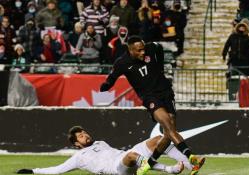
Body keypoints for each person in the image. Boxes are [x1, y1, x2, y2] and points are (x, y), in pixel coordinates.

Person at [100, 36, 205, 175]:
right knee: (168, 125)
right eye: (139, 50)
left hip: (166, 92)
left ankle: (148, 164)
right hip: (150, 97)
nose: (143, 52)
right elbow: (112, 78)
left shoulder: (151, 47)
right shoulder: (122, 63)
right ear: (131, 50)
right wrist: (106, 85)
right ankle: (192, 158)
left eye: (143, 49)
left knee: (168, 134)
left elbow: (159, 47)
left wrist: (160, 65)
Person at [16, 126, 187, 175]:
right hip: (117, 170)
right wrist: (32, 171)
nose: (85, 135)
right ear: (77, 144)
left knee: (158, 140)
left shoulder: (101, 142)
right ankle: (168, 169)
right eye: (81, 136)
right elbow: (57, 170)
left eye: (84, 132)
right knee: (133, 156)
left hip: (127, 158)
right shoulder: (79, 157)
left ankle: (188, 163)